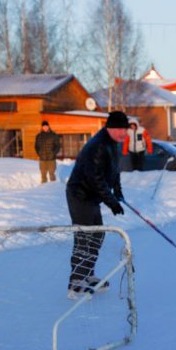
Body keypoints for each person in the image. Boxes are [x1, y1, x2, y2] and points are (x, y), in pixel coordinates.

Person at [65, 110, 129, 299]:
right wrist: (111, 202)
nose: (122, 133)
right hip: (80, 195)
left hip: (92, 197)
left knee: (97, 235)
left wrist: (117, 191)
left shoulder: (112, 144)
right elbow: (95, 179)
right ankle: (76, 283)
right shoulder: (98, 146)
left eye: (124, 129)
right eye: (118, 129)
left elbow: (114, 170)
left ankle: (88, 274)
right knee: (84, 237)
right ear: (109, 128)